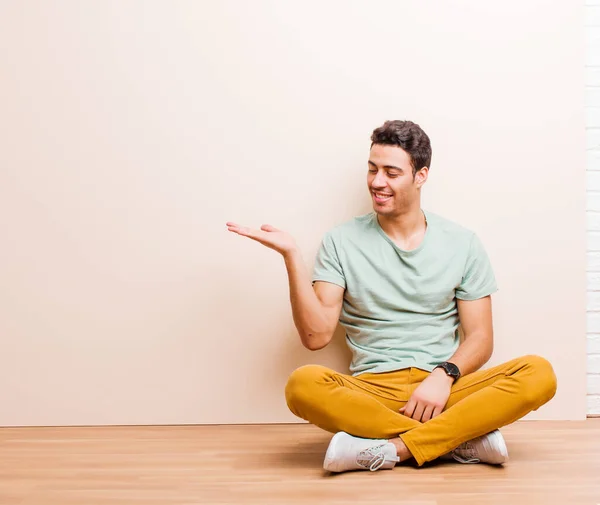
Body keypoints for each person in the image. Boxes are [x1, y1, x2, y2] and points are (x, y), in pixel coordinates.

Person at [226, 120, 557, 473]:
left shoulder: (463, 242)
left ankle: (392, 449)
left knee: (539, 373)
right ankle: (456, 440)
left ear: (421, 175)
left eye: (391, 172)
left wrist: (443, 376)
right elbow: (315, 336)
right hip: (373, 391)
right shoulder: (341, 241)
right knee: (302, 385)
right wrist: (292, 257)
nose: (377, 182)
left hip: (443, 388)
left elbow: (481, 338)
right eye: (372, 170)